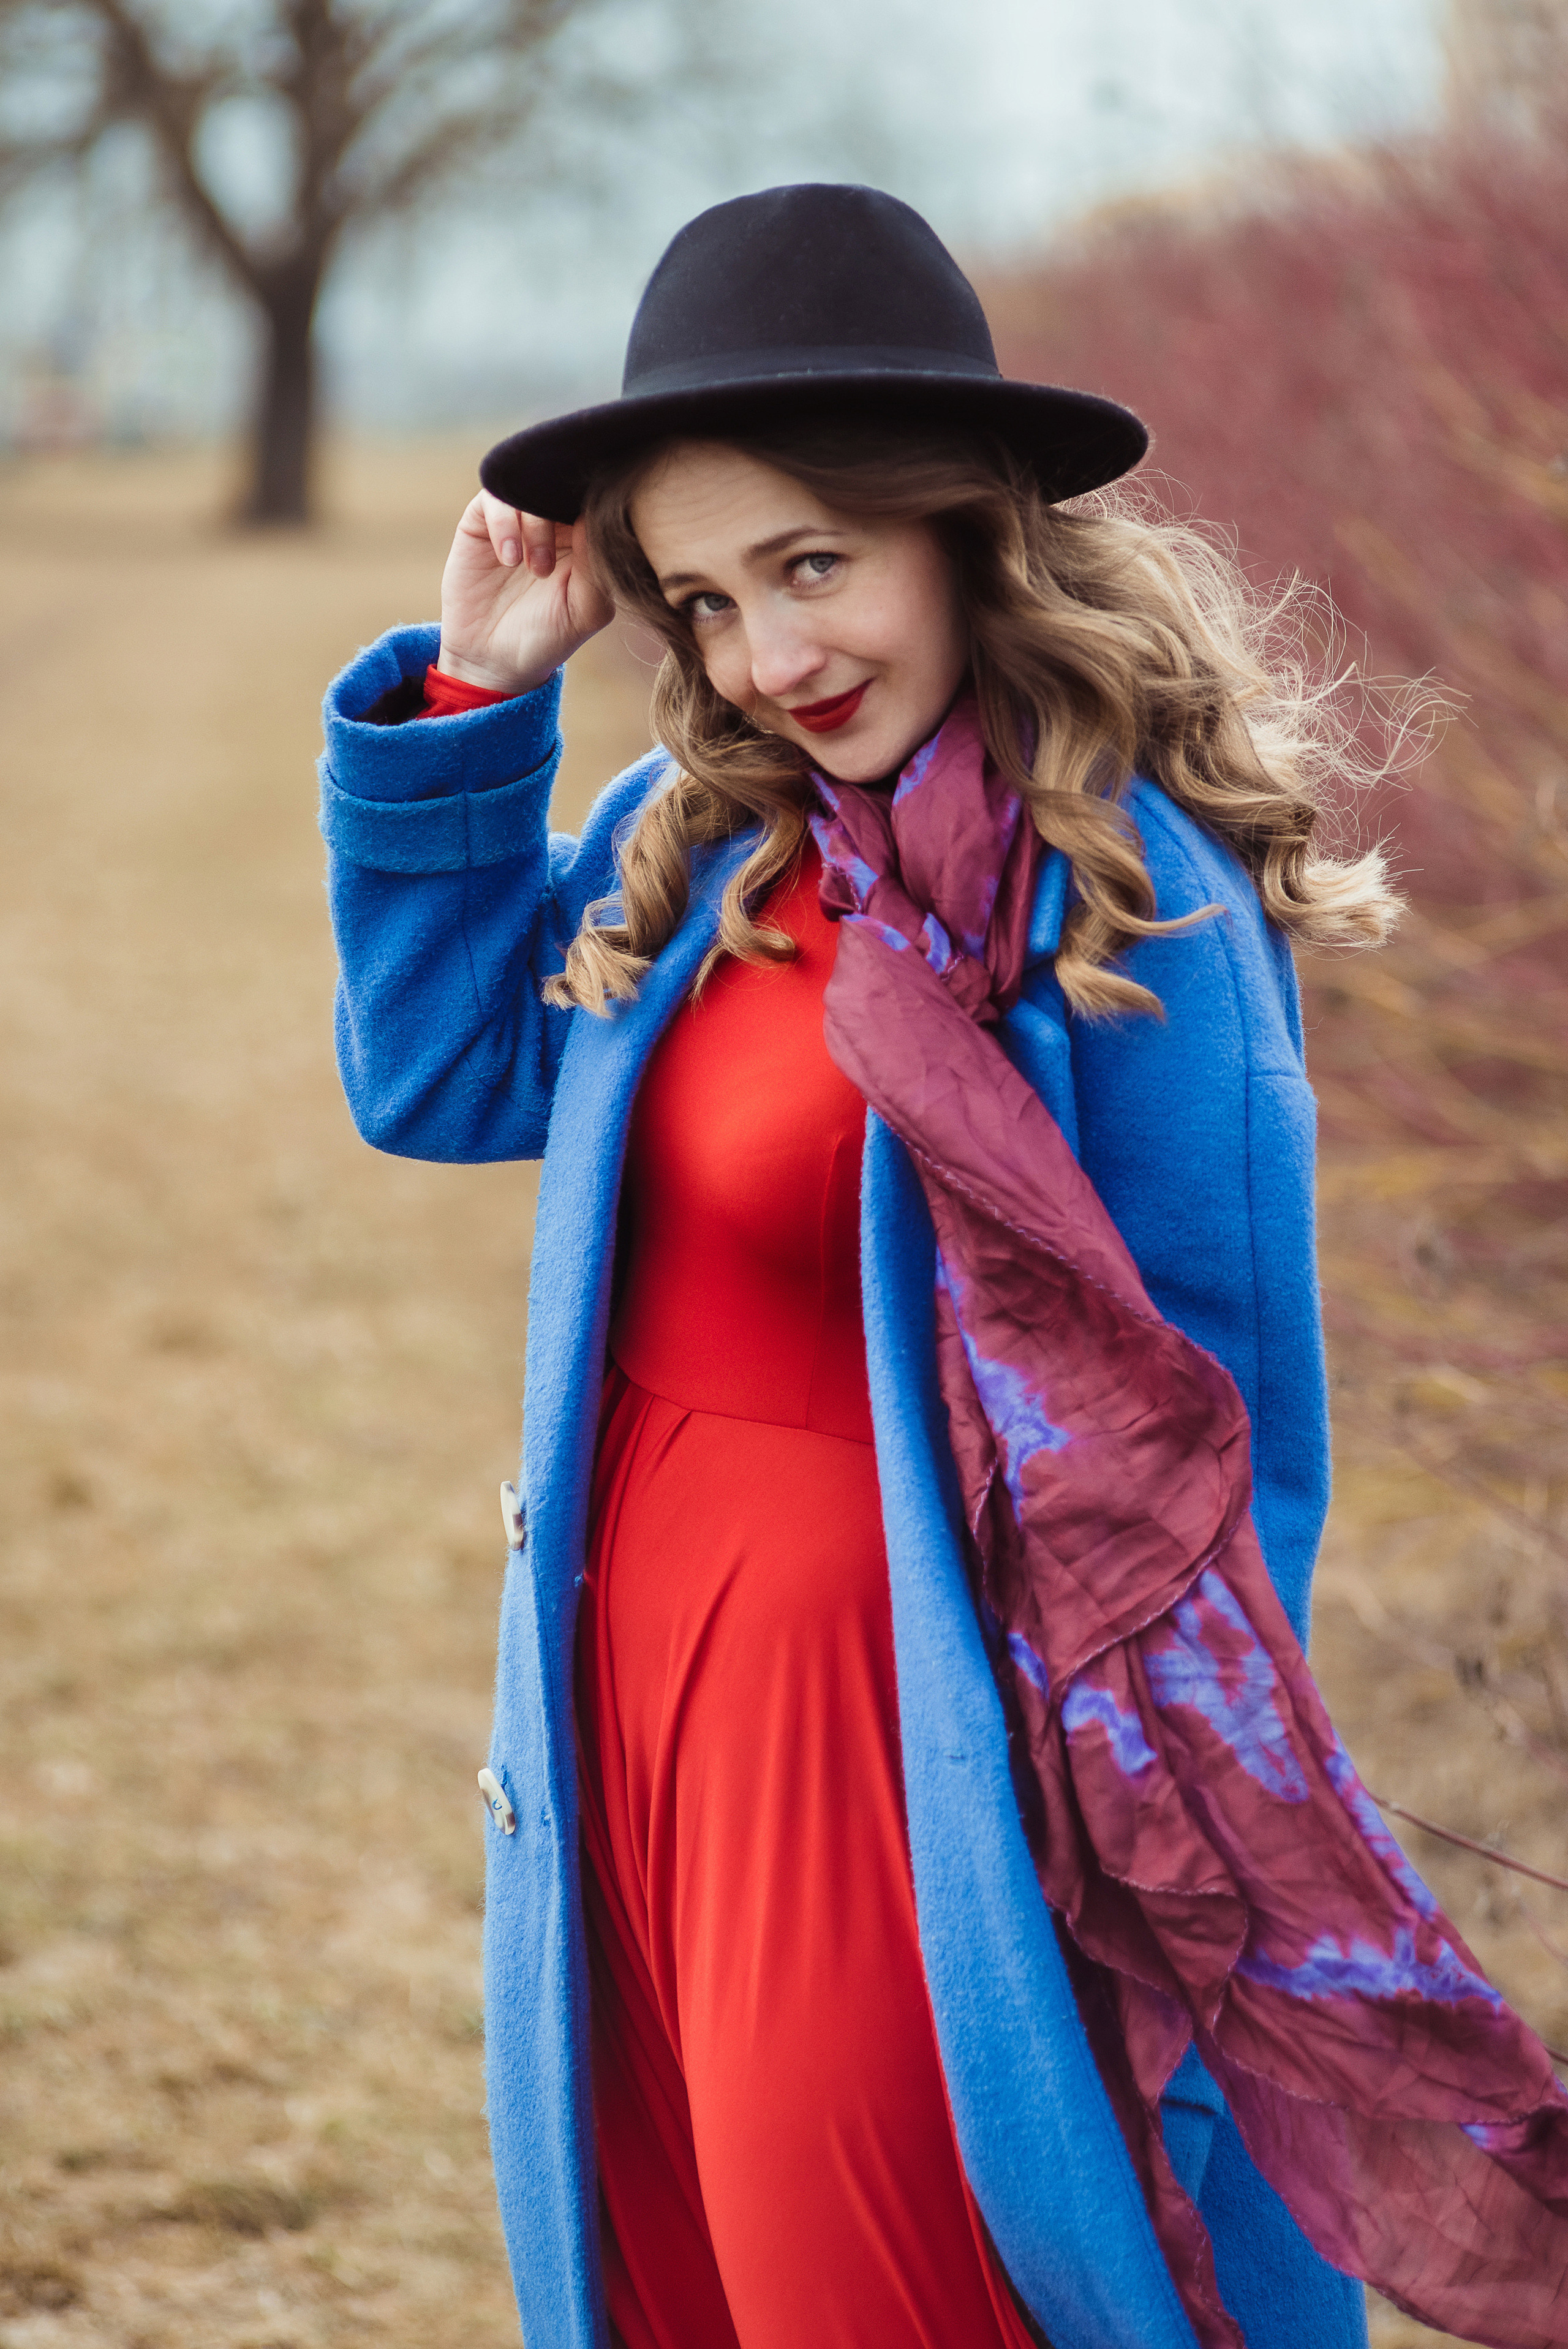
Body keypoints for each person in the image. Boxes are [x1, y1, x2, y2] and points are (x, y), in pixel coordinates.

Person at [319, 186, 1568, 2349]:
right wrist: (477, 692)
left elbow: (1218, 1456)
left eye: (813, 564)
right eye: (702, 599)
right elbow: (436, 1072)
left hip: (899, 1735)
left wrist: (1141, 1852)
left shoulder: (1116, 900)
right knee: (675, 2268)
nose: (769, 658)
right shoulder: (698, 838)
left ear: (963, 528)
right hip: (626, 1685)